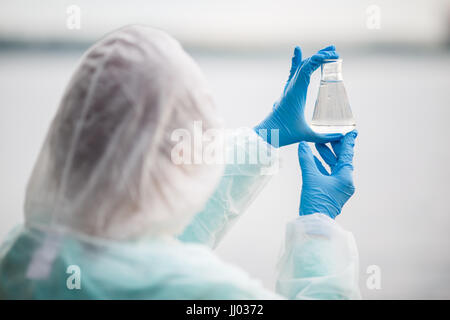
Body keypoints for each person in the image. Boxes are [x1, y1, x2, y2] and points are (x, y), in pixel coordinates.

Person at [0, 25, 360, 299]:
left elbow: (151, 244)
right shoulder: (199, 293)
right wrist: (318, 231)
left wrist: (264, 139)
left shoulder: (22, 258)